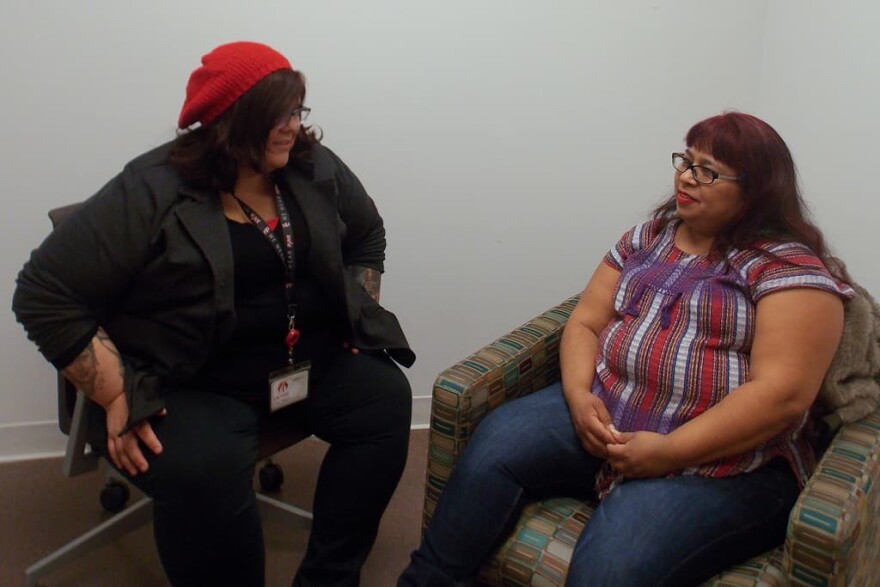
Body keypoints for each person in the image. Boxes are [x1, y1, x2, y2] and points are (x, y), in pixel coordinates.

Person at [13, 41, 415, 587]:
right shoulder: (153, 187)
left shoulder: (310, 166)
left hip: (302, 360)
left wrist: (356, 312)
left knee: (385, 403)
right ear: (227, 123)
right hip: (194, 377)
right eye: (274, 115)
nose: (291, 127)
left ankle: (330, 575)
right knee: (201, 473)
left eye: (296, 111)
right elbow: (42, 292)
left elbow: (366, 234)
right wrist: (113, 390)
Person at [398, 112, 853, 586]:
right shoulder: (650, 235)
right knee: (497, 443)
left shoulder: (789, 270)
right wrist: (579, 397)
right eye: (686, 161)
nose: (686, 177)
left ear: (757, 189)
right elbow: (586, 322)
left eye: (708, 171)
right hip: (609, 409)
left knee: (615, 563)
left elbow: (782, 396)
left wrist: (669, 451)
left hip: (723, 461)